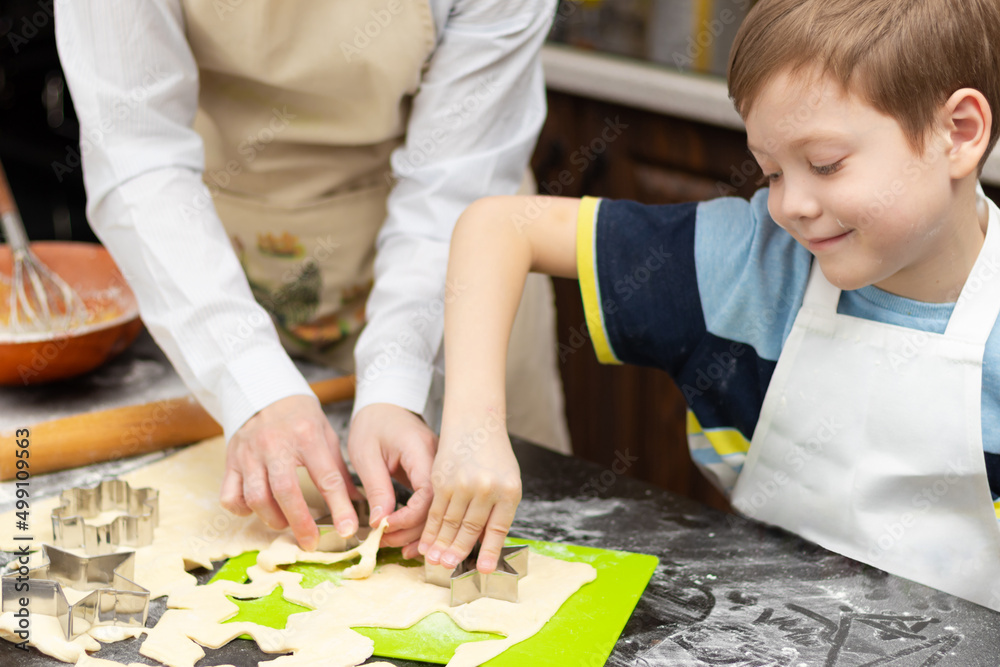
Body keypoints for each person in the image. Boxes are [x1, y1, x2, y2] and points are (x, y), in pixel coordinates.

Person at [421, 0, 1000, 611]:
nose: (790, 206)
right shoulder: (749, 265)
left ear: (957, 132)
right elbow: (498, 226)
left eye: (825, 165)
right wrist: (473, 428)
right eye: (772, 172)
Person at [53, 0, 571, 559]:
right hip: (212, 257)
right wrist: (253, 384)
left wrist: (395, 382)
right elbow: (137, 155)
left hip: (465, 276)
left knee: (528, 543)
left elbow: (449, 190)